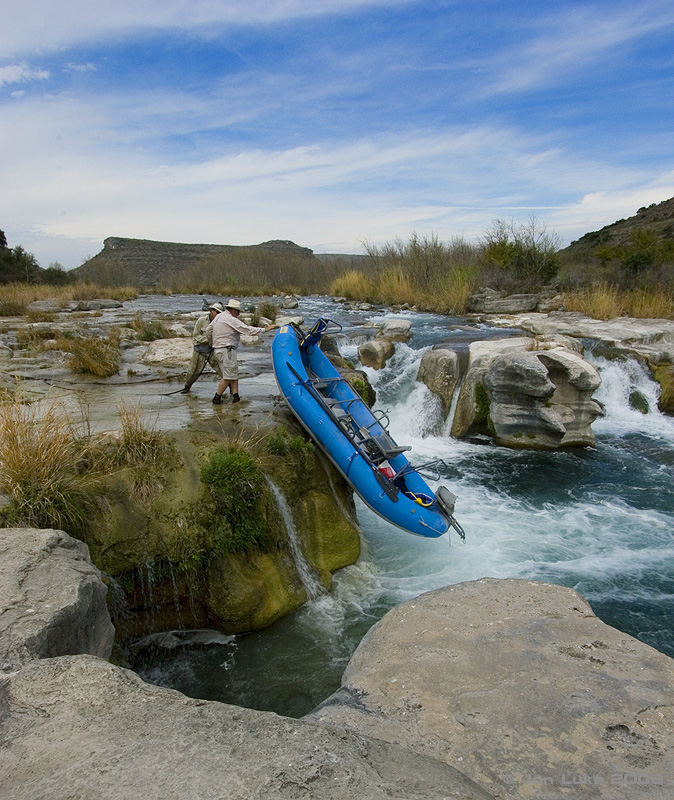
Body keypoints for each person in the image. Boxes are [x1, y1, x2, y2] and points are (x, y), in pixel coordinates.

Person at [206, 298, 275, 404]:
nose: (238, 314)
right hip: (227, 350)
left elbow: (208, 330)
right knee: (228, 376)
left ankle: (236, 396)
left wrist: (212, 343)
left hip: (219, 350)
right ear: (233, 310)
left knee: (233, 373)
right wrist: (265, 329)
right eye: (238, 311)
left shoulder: (219, 316)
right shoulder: (231, 319)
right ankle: (216, 398)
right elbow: (248, 330)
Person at [179, 302, 224, 394]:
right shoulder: (201, 321)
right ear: (211, 311)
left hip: (212, 351)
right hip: (199, 351)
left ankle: (232, 389)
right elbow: (196, 336)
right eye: (216, 311)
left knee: (222, 370)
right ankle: (187, 387)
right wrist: (208, 340)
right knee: (193, 371)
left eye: (219, 312)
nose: (217, 314)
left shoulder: (221, 323)